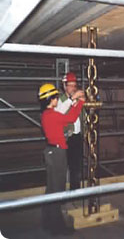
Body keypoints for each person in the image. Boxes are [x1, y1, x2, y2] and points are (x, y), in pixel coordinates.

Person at [38, 83, 84, 235]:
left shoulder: (46, 114)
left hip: (51, 151)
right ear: (51, 99)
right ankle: (58, 227)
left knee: (51, 188)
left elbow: (64, 114)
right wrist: (81, 102)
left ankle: (47, 221)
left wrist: (73, 101)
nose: (58, 99)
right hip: (57, 153)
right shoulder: (52, 115)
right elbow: (70, 118)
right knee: (58, 189)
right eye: (56, 97)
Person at [55, 72, 85, 190]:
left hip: (76, 136)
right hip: (65, 138)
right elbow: (60, 113)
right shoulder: (60, 99)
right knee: (61, 168)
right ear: (64, 86)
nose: (73, 88)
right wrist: (72, 99)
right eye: (70, 85)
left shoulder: (75, 99)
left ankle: (75, 192)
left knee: (76, 167)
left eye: (74, 85)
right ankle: (60, 195)